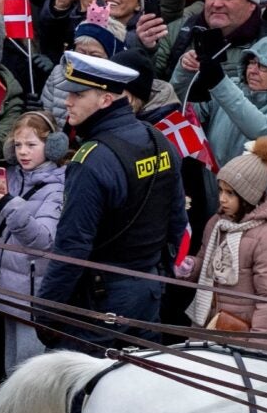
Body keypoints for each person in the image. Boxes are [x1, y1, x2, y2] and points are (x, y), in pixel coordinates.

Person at [32, 53, 189, 333]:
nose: (68, 101)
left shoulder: (91, 159)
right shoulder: (159, 139)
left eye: (78, 94)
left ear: (106, 100)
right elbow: (177, 225)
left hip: (100, 303)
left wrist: (45, 312)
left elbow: (72, 247)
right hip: (148, 293)